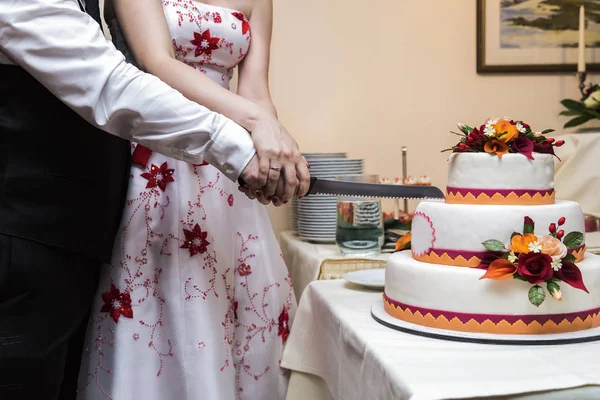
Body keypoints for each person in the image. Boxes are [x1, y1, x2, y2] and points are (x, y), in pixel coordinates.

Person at [0, 0, 309, 399]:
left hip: (228, 176)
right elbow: (131, 75)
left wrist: (273, 150)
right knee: (165, 319)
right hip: (163, 161)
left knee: (239, 320)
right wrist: (248, 134)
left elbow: (257, 92)